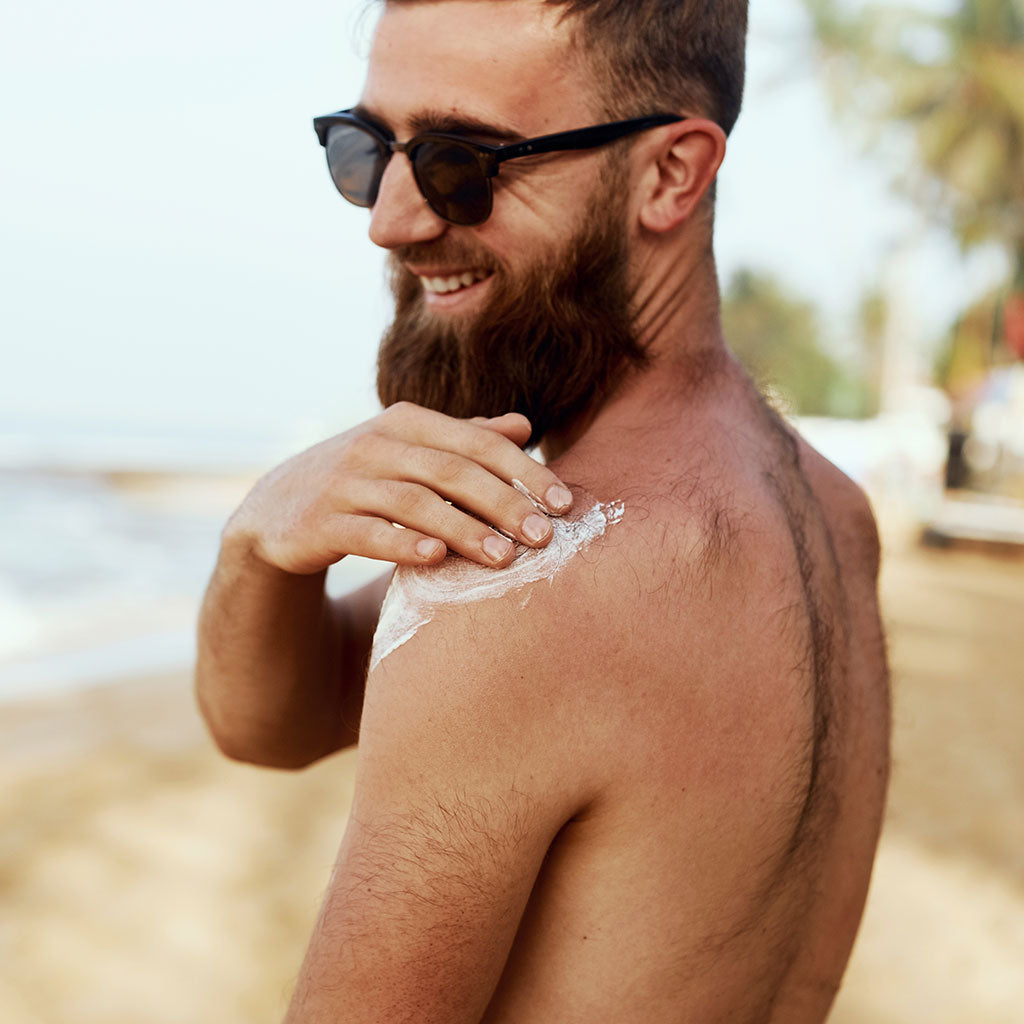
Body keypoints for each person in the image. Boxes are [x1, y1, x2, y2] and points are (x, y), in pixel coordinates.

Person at [195, 0, 891, 1020]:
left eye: (458, 162)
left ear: (670, 173)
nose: (389, 218)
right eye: (365, 149)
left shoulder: (529, 587)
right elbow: (277, 721)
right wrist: (261, 542)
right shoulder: (834, 515)